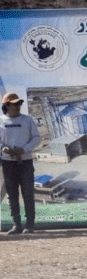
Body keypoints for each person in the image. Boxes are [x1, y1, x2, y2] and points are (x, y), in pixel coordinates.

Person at [0, 93, 41, 235]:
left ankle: (30, 225)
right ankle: (16, 225)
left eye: (19, 104)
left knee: (28, 193)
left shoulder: (27, 120)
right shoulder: (1, 121)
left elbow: (36, 138)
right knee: (12, 195)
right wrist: (3, 148)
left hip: (25, 162)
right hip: (8, 163)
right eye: (14, 104)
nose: (18, 106)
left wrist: (24, 149)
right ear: (6, 106)